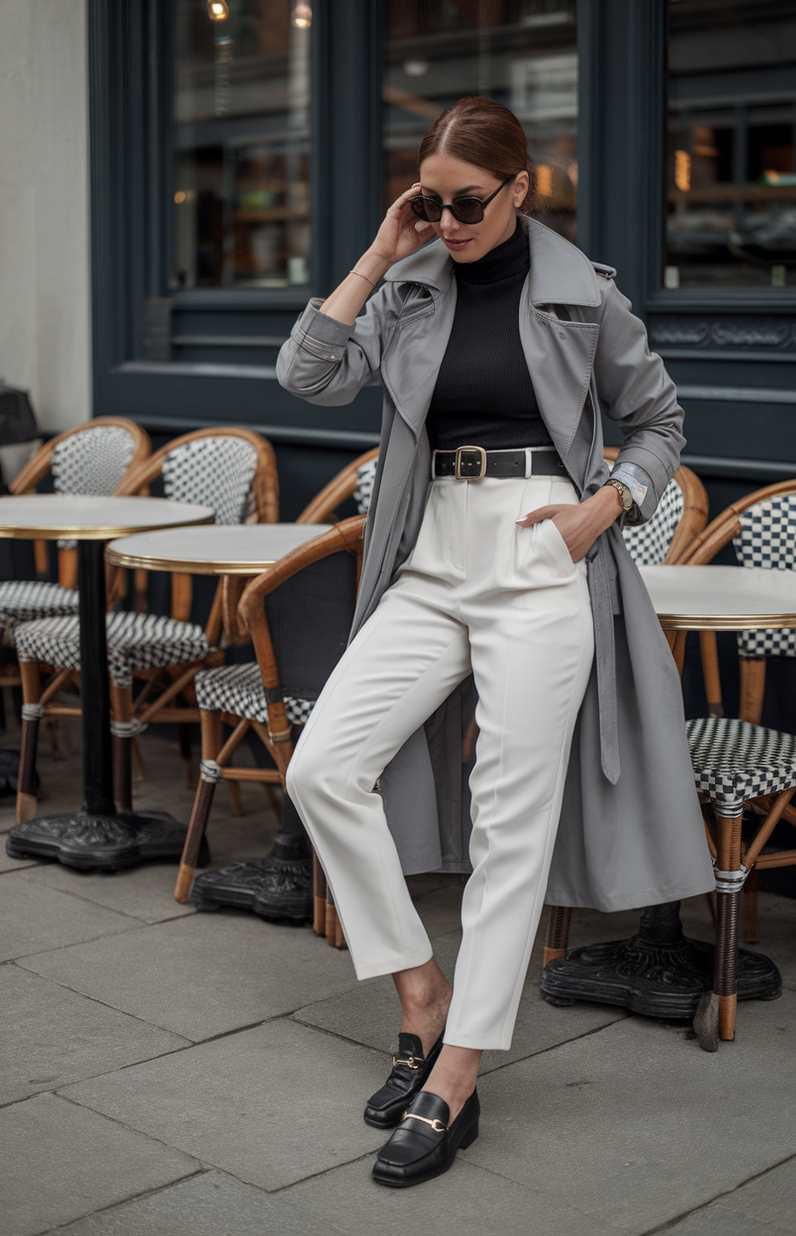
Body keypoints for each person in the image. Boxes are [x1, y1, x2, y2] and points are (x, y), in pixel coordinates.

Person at [277, 96, 714, 1188]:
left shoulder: (583, 296)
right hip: (431, 557)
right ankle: (419, 992)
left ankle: (458, 1067)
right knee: (324, 766)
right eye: (432, 199)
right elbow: (307, 376)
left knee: (508, 821)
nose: (450, 218)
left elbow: (660, 425)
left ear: (522, 188)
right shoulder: (412, 282)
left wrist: (602, 507)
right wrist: (383, 250)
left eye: (468, 201)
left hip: (537, 558)